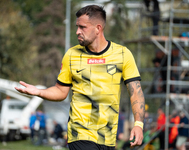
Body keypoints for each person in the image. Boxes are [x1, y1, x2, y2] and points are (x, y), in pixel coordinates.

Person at [15, 5, 145, 150]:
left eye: (82, 27)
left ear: (98, 28)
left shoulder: (123, 54)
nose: (77, 31)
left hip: (108, 138)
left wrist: (138, 124)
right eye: (77, 27)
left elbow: (135, 92)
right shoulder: (71, 55)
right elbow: (61, 91)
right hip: (80, 135)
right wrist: (40, 92)